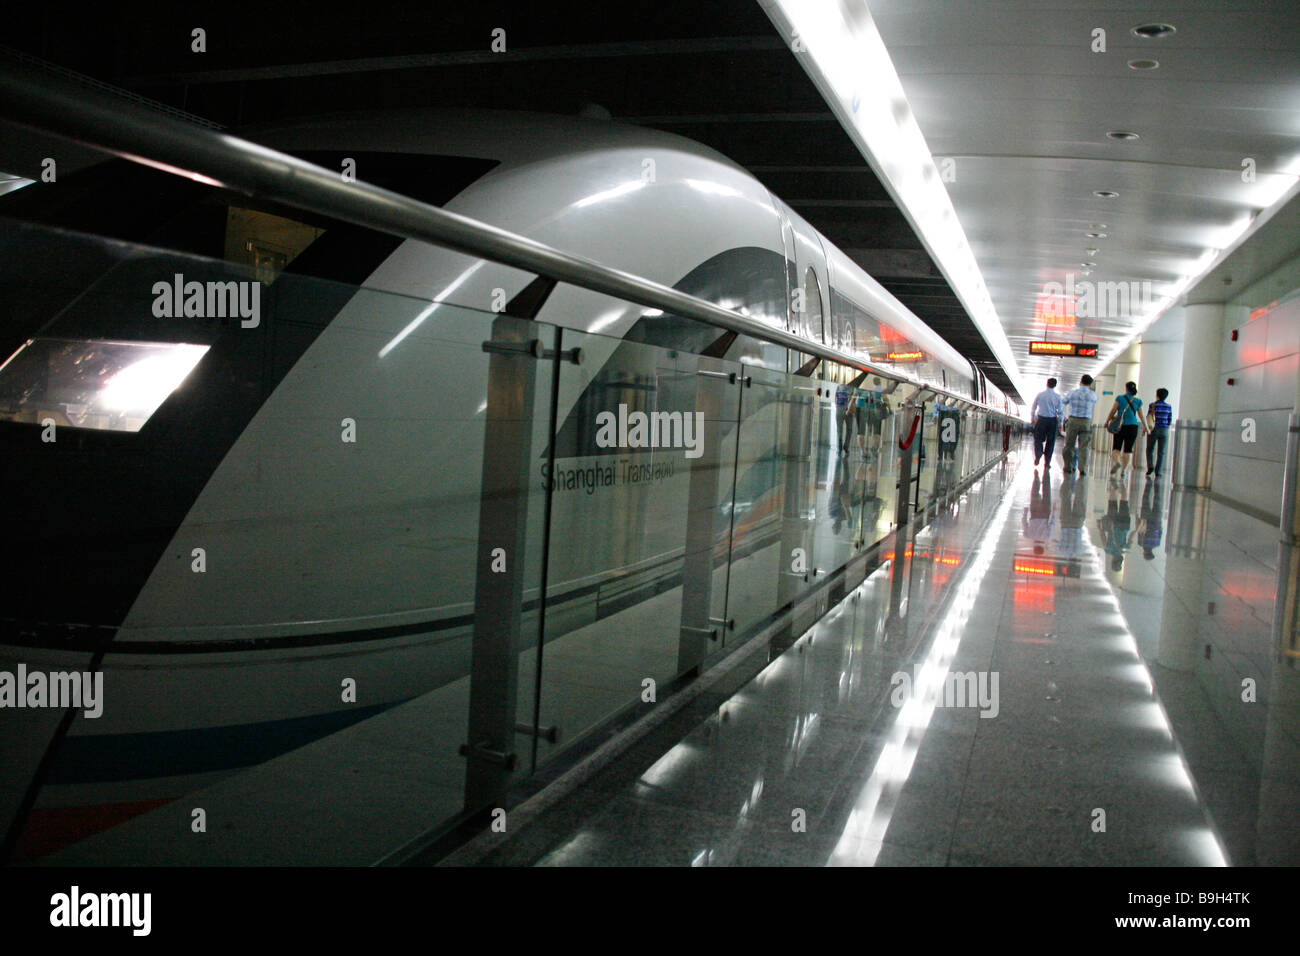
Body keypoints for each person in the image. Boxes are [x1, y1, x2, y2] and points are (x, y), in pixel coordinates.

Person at [1104, 381, 1148, 479]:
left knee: (1116, 448)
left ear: (1126, 388)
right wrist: (1146, 427)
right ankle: (1123, 471)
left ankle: (1118, 462)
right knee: (1128, 450)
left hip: (1120, 426)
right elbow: (1141, 416)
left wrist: (1107, 421)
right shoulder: (1138, 401)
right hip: (1133, 426)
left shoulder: (1120, 398)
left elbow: (1113, 410)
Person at [1059, 373, 1099, 476]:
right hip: (1086, 421)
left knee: (1069, 445)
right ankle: (1082, 469)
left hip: (1073, 421)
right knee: (1084, 447)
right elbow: (1095, 400)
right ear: (1090, 384)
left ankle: (1068, 466)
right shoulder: (1093, 395)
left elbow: (1063, 402)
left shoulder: (1072, 393)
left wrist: (1063, 417)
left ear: (1080, 382)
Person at [1030, 377, 1063, 468]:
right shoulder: (1057, 397)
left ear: (1047, 384)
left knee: (1038, 439)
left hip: (1041, 420)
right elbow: (1060, 411)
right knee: (1050, 442)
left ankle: (1038, 454)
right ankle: (1047, 462)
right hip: (1052, 421)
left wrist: (1032, 419)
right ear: (1055, 385)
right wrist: (1061, 424)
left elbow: (1034, 407)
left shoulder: (1040, 395)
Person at [1145, 387, 1173, 477]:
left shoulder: (1152, 405)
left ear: (1157, 395)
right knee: (1161, 452)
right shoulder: (1168, 406)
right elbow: (1169, 420)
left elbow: (1149, 417)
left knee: (1150, 449)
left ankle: (1150, 466)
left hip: (1154, 429)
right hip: (1164, 430)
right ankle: (1158, 471)